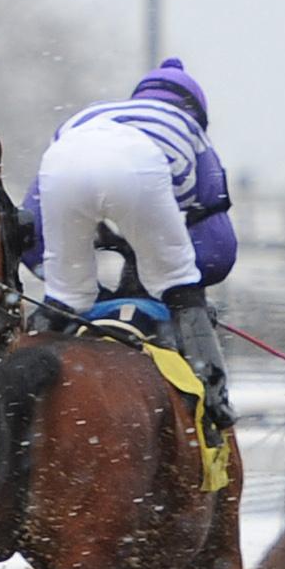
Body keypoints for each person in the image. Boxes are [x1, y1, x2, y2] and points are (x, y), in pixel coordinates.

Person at [20, 58, 239, 420]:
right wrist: (178, 293)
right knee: (181, 286)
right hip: (138, 166)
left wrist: (90, 294)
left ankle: (10, 399)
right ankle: (214, 400)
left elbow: (30, 230)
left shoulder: (94, 115)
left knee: (66, 297)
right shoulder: (193, 133)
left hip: (62, 163)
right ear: (197, 111)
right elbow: (217, 250)